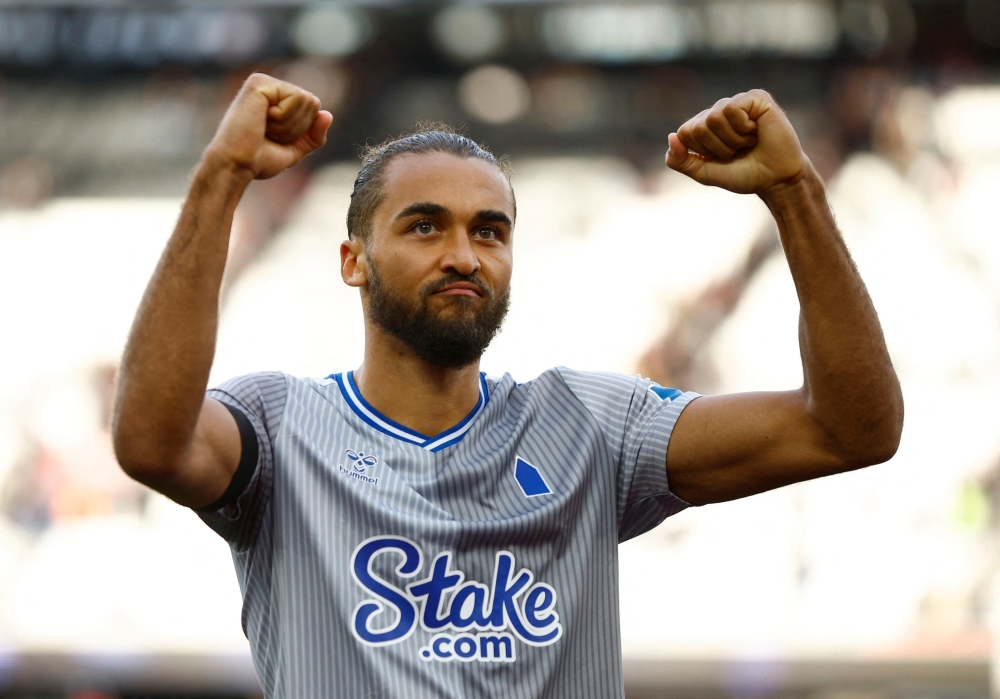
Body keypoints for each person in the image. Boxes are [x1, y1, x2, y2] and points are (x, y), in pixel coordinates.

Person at [112, 73, 903, 698]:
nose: (465, 254)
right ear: (353, 260)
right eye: (425, 225)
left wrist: (794, 191)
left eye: (490, 230)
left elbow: (850, 429)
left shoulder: (591, 425)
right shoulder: (279, 427)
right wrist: (222, 175)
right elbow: (150, 440)